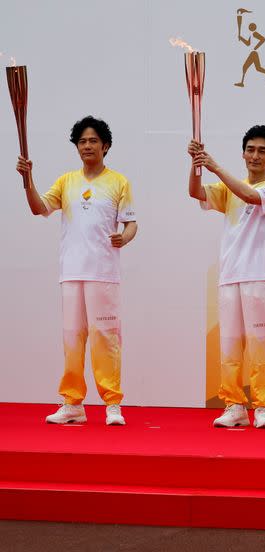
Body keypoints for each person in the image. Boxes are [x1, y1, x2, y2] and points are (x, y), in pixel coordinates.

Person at [16, 116, 137, 425]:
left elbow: (131, 223)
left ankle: (112, 403)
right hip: (71, 271)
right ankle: (72, 402)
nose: (87, 146)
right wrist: (28, 180)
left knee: (105, 338)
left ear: (105, 146)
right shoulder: (66, 181)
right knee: (72, 337)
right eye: (82, 141)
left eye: (93, 141)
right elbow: (38, 208)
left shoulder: (118, 181)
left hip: (103, 272)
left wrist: (124, 236)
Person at [188, 125, 265, 429]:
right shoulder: (227, 190)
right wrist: (196, 166)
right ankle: (233, 405)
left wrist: (214, 166)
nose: (255, 156)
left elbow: (250, 195)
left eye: (262, 151)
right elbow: (195, 192)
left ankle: (263, 407)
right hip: (231, 276)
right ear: (243, 153)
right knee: (230, 344)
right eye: (250, 149)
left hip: (261, 276)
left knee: (262, 344)